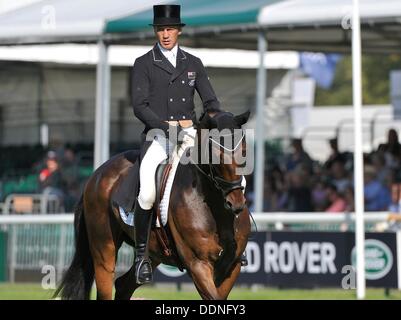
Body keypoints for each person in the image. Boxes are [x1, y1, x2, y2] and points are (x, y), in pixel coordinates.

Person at [130, 4, 224, 285]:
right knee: (147, 191)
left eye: (170, 29)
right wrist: (165, 127)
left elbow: (211, 102)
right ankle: (141, 256)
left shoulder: (193, 62)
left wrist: (217, 122)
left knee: (227, 176)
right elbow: (140, 106)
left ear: (179, 30)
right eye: (161, 29)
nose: (165, 34)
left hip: (192, 135)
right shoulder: (144, 63)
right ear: (156, 32)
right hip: (159, 136)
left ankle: (231, 241)